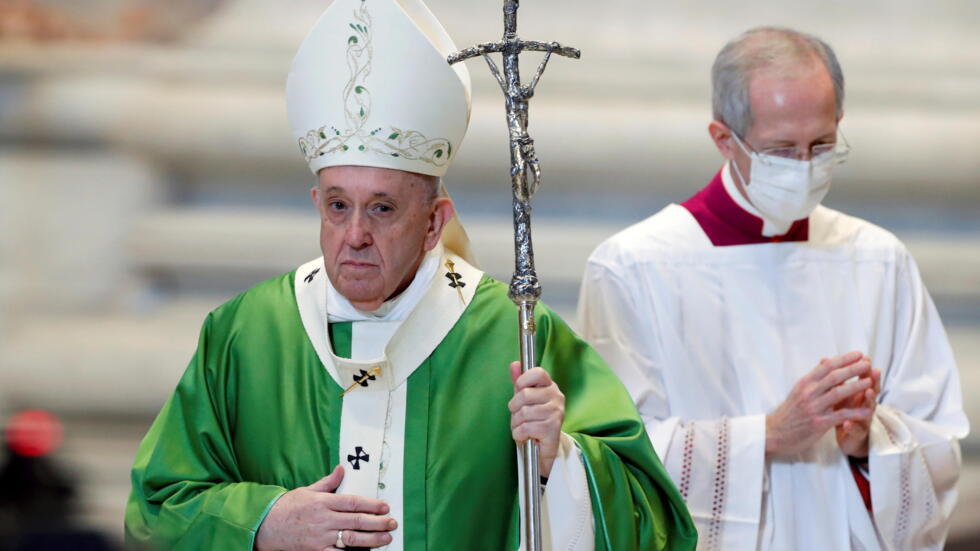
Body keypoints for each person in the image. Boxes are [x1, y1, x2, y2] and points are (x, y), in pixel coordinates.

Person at [124, 1, 696, 550]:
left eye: (382, 208)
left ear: (433, 222)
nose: (354, 236)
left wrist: (558, 462)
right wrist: (262, 524)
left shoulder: (513, 335)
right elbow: (155, 510)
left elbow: (653, 523)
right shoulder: (245, 335)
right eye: (337, 206)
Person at [578, 26, 968, 551]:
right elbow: (615, 458)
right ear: (723, 139)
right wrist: (769, 434)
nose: (805, 167)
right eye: (782, 150)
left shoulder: (879, 258)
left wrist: (866, 443)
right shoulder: (633, 267)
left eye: (822, 145)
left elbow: (938, 438)